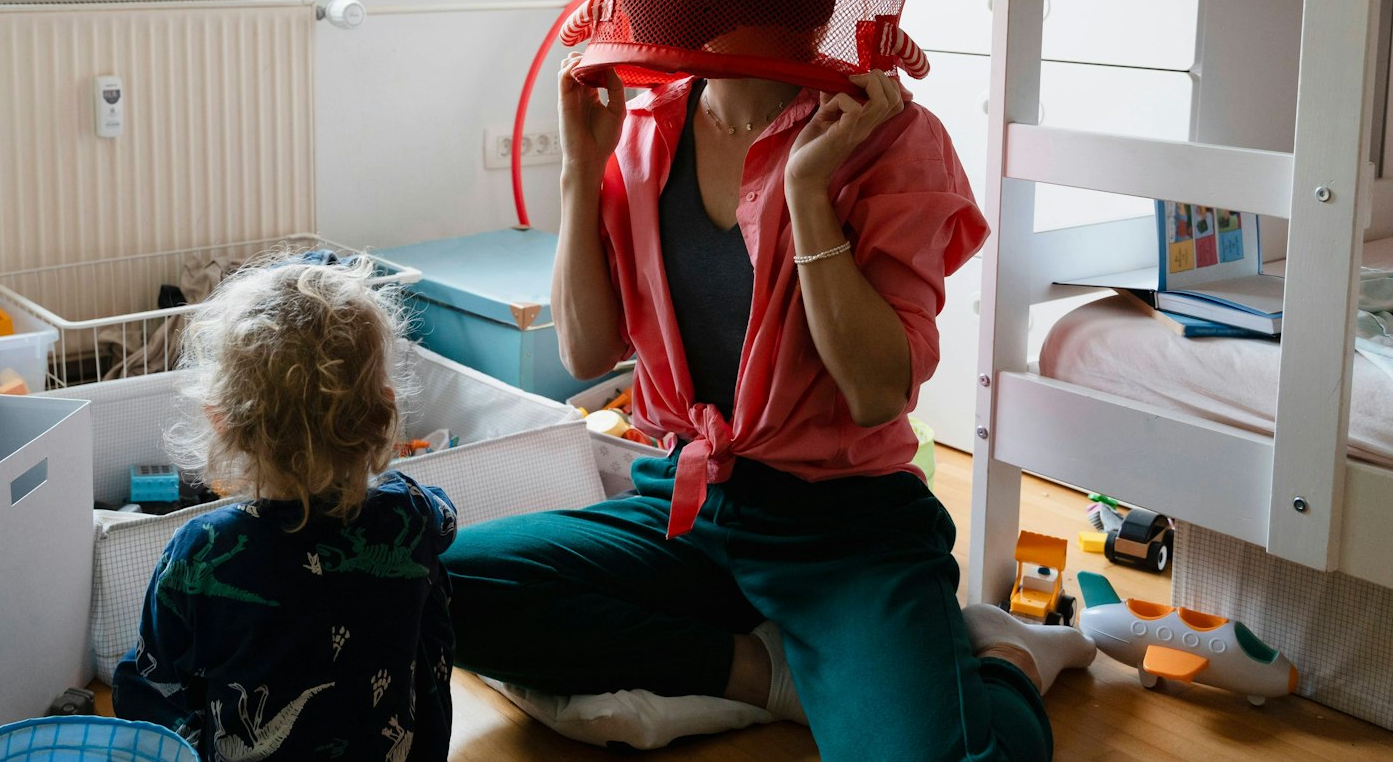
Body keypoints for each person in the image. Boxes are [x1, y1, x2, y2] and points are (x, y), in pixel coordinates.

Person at [441, 60, 1096, 760]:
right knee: (434, 585)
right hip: (689, 512)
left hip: (846, 531)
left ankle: (1009, 654)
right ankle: (766, 672)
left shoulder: (884, 133)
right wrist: (579, 166)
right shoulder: (643, 133)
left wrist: (808, 190)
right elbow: (585, 351)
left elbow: (876, 394)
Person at [113, 259, 457, 762]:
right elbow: (445, 519)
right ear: (383, 412)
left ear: (223, 421)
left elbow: (151, 681)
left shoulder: (202, 547)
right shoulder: (412, 512)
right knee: (433, 577)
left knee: (141, 676)